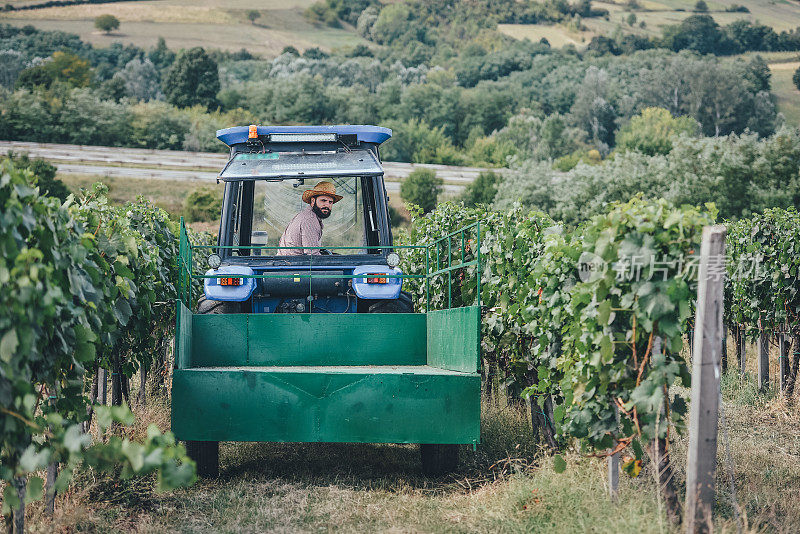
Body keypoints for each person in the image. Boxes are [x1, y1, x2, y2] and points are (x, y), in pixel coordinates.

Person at [277, 181, 342, 255]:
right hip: (295, 264)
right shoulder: (310, 220)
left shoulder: (307, 216)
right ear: (313, 201)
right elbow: (312, 255)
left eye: (330, 202)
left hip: (290, 262)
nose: (327, 205)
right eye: (323, 200)